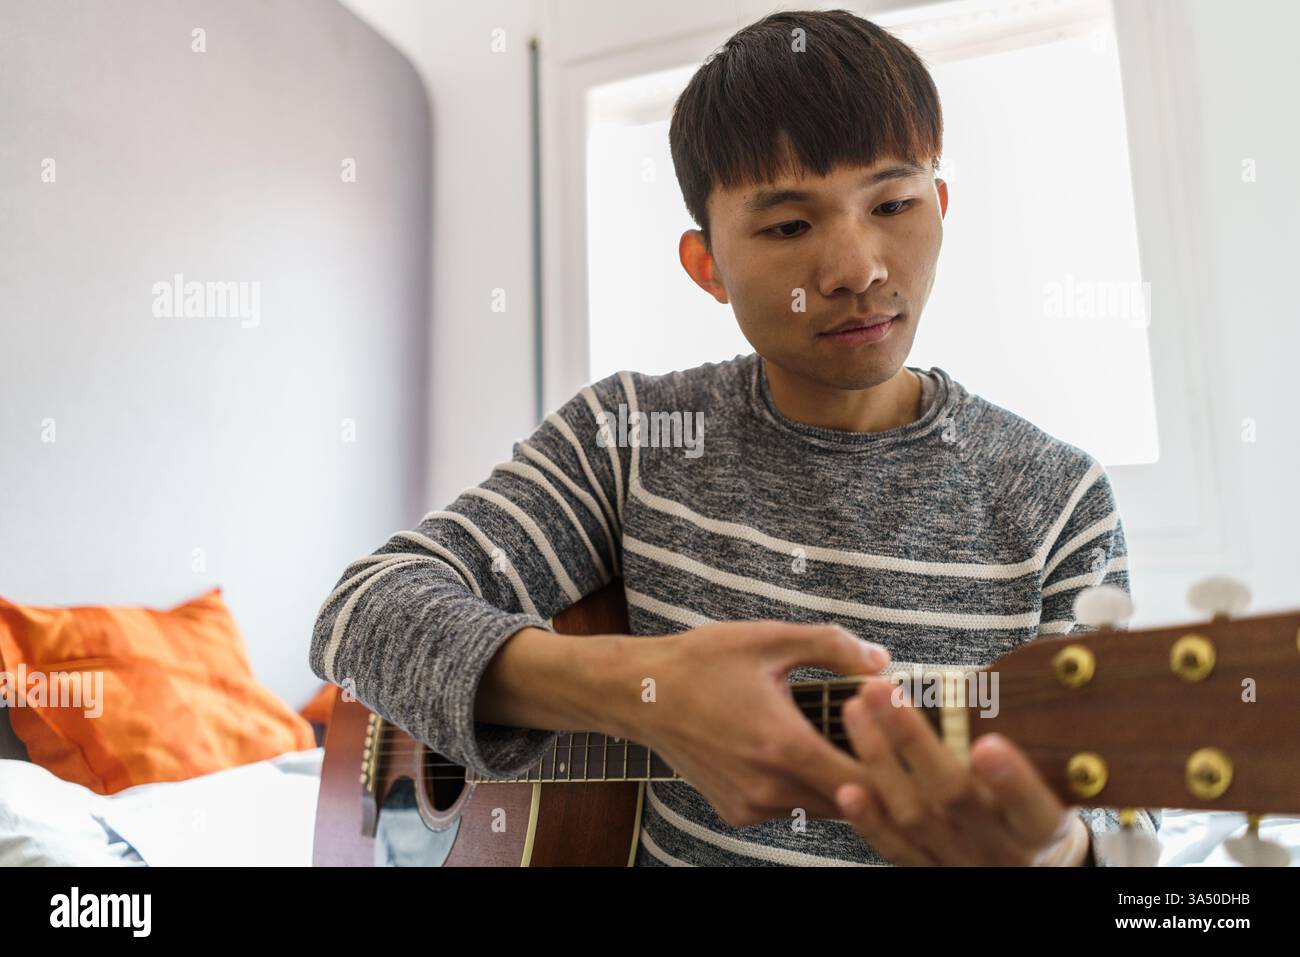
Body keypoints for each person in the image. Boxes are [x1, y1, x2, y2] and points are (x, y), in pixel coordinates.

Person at [310, 8, 1158, 866]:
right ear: (706, 264)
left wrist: (1057, 852)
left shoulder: (1058, 500)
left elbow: (1132, 836)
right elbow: (359, 612)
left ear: (940, 205)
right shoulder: (631, 439)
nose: (858, 268)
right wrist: (642, 695)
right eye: (790, 226)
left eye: (894, 202)